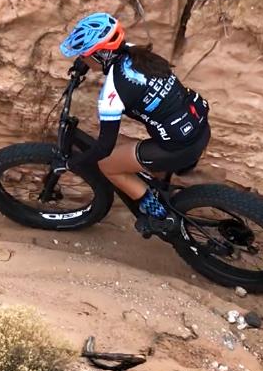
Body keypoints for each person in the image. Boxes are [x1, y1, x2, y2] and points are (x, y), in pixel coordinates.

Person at [56, 12, 210, 236]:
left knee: (108, 165)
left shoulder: (113, 91)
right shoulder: (134, 51)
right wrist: (82, 66)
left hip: (178, 146)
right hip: (198, 126)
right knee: (141, 156)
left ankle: (159, 216)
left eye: (84, 55)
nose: (81, 58)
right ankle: (159, 191)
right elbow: (105, 58)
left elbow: (104, 147)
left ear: (100, 56)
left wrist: (75, 164)